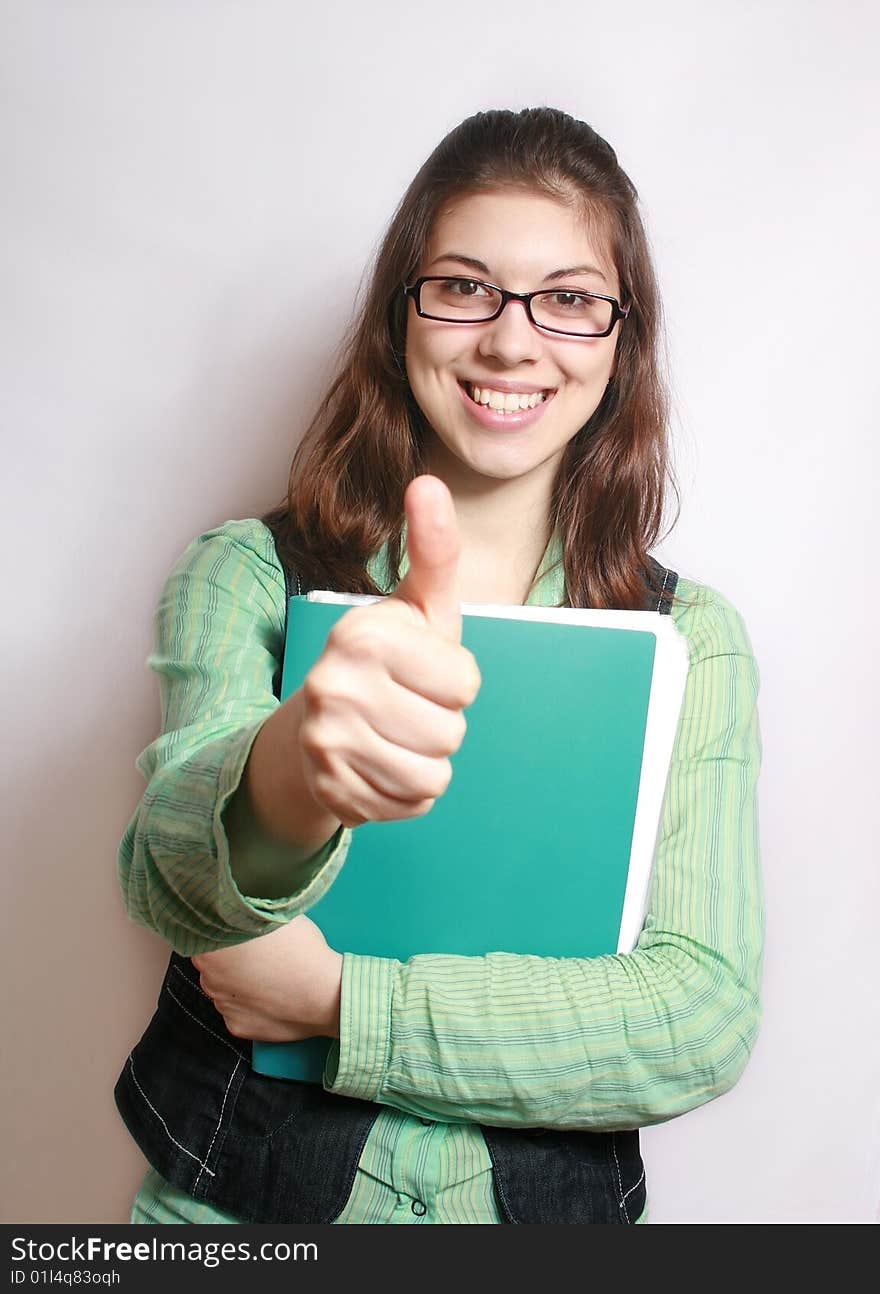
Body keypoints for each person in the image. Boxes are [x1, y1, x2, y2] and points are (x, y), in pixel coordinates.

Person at [115, 106, 763, 1225]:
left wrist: (338, 1000)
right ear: (398, 316)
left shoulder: (690, 636)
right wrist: (288, 770)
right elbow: (175, 873)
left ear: (621, 338)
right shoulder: (246, 574)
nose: (512, 342)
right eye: (464, 286)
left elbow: (695, 1016)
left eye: (569, 298)